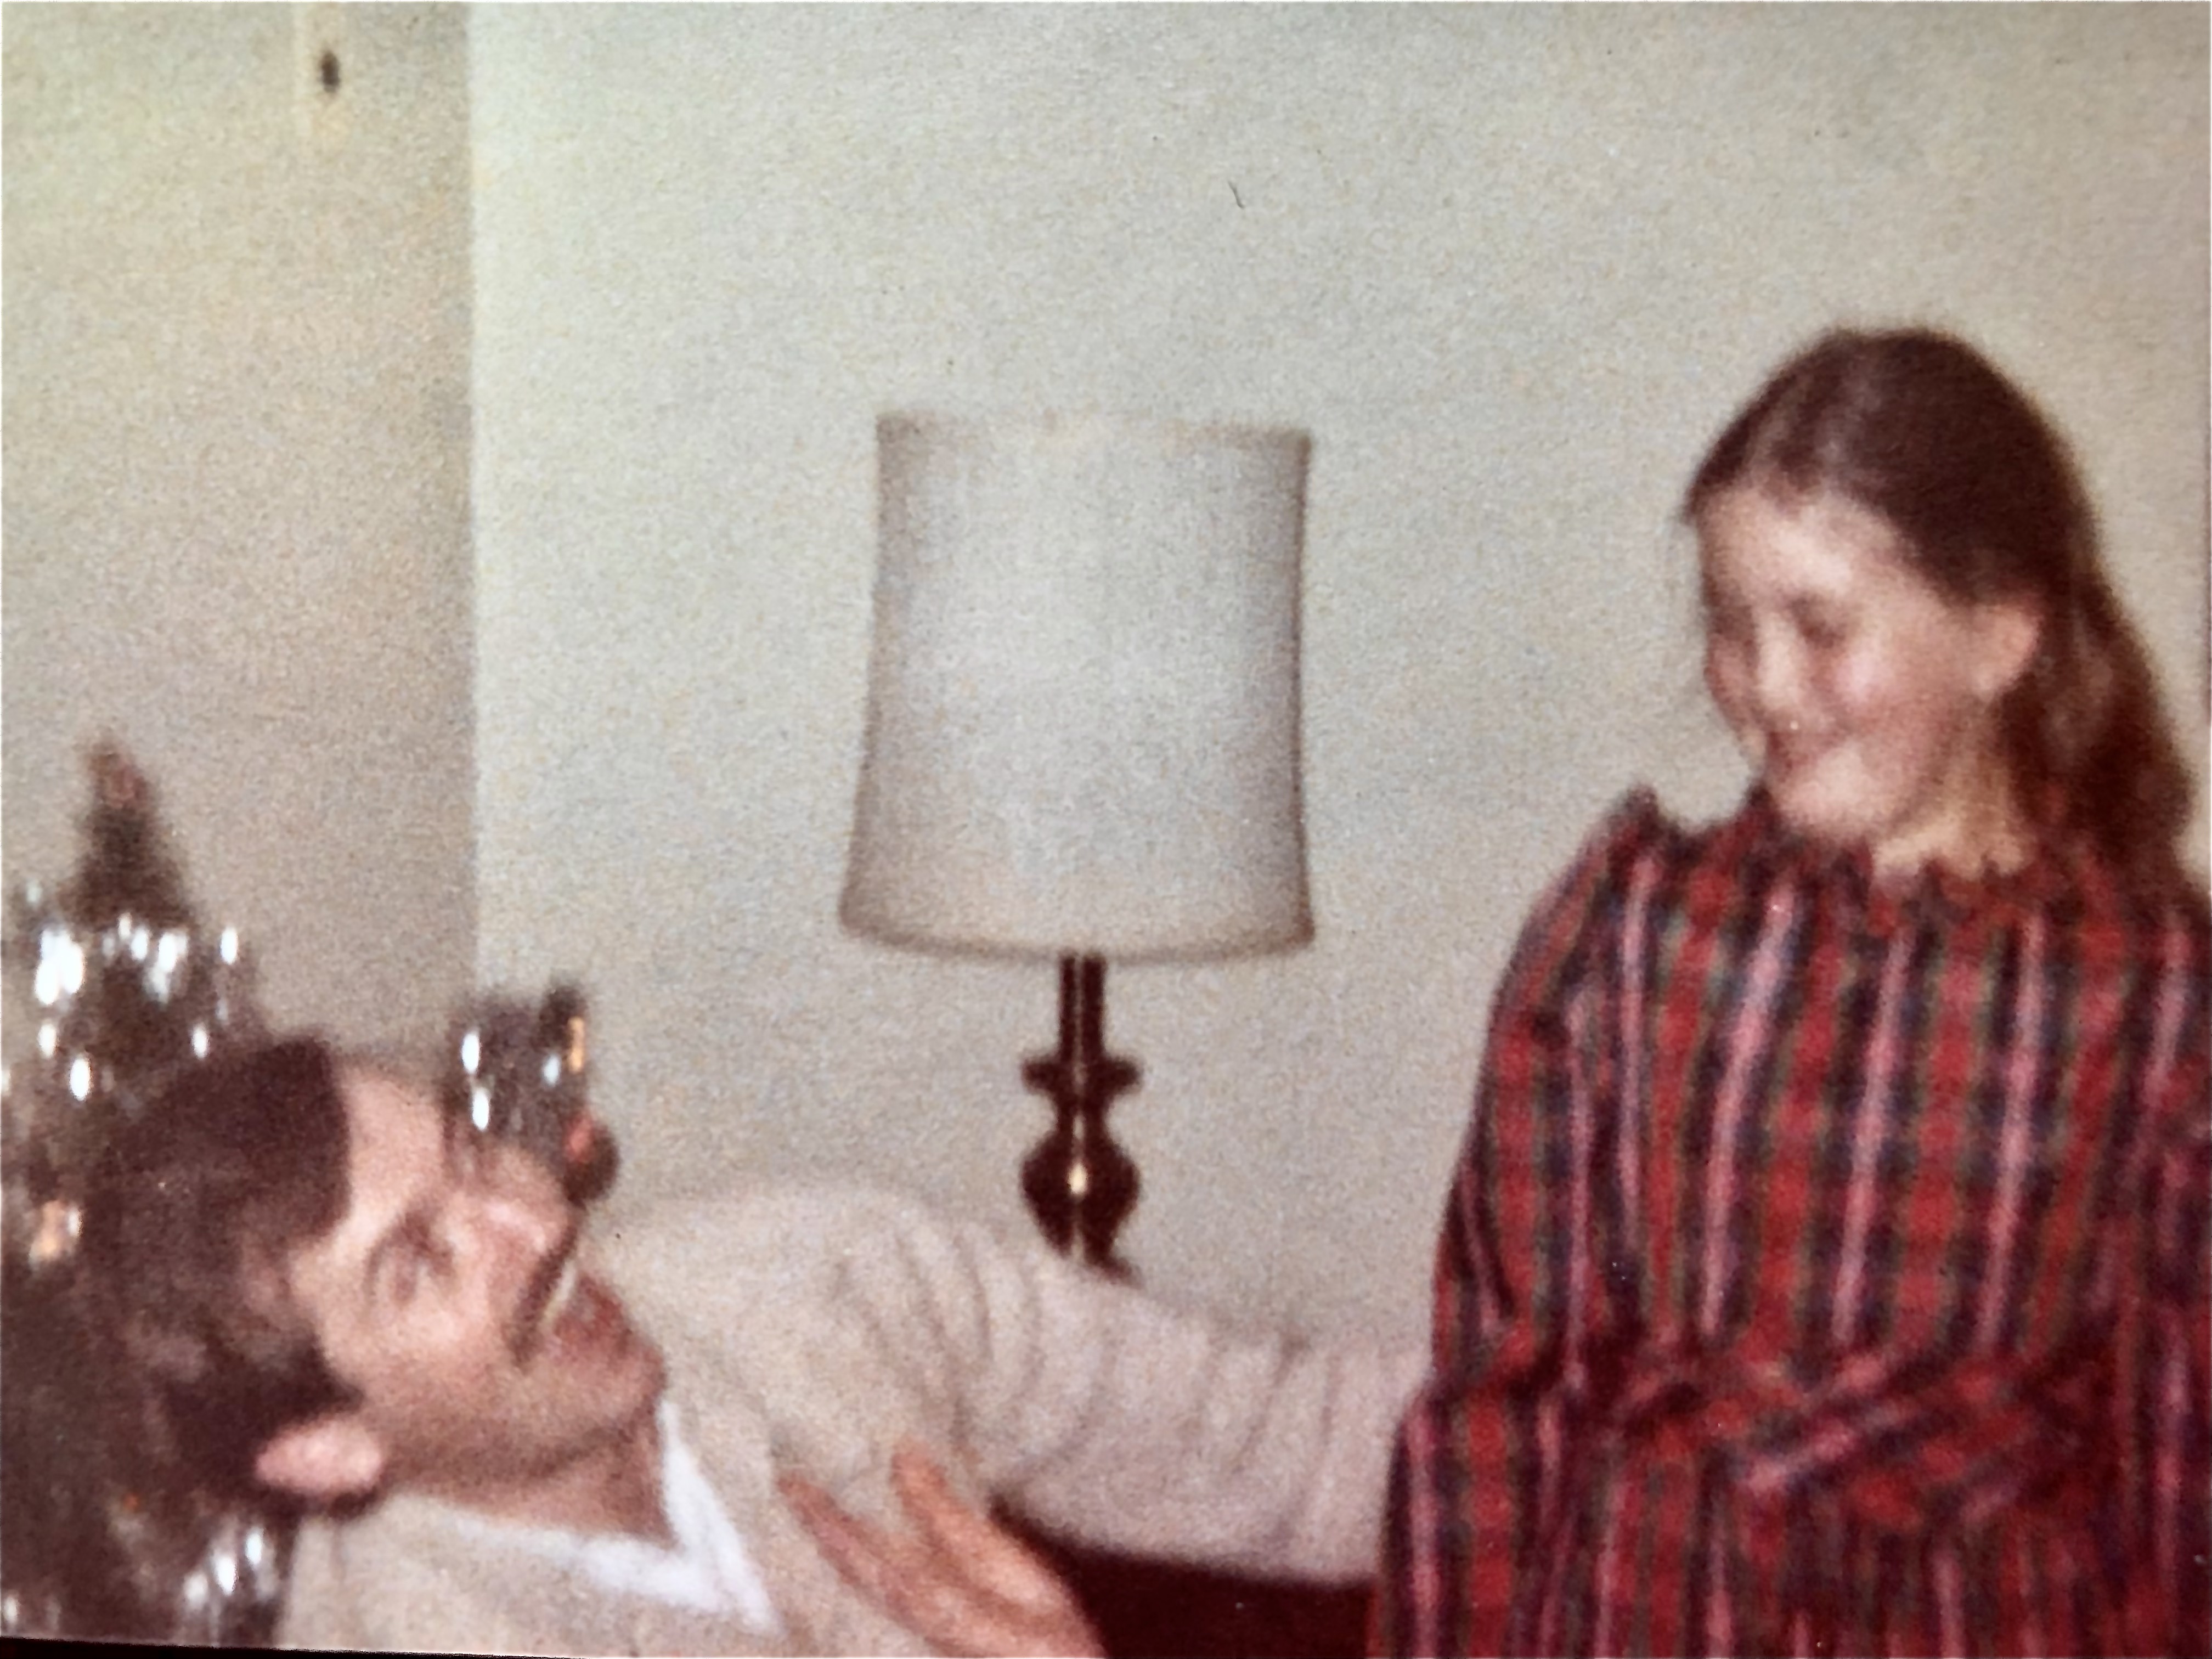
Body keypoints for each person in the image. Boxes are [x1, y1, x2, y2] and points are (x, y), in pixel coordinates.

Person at [1374, 328, 2208, 1657]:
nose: (1761, 687)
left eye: (1819, 627)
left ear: (2000, 632)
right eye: (1726, 623)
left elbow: (2187, 1451)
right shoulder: (1628, 938)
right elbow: (1496, 1396)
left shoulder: (2154, 994)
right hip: (1650, 1611)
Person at [78, 1037, 1423, 1656]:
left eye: (477, 1153)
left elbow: (1294, 1441)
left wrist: (1619, 1427)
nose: (537, 1225)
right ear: (329, 1446)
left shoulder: (809, 1273)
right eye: (422, 1261)